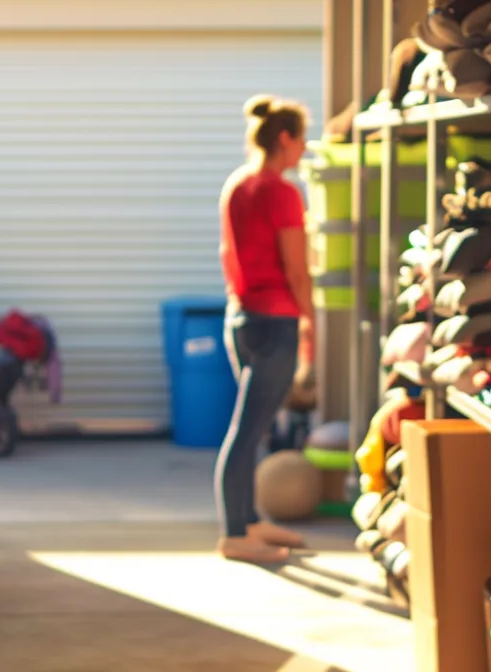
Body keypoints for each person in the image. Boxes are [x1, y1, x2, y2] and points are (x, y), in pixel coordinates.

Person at [215, 94, 314, 563]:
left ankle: (250, 521)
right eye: (302, 140)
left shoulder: (238, 185)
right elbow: (296, 268)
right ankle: (235, 534)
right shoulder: (282, 192)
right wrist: (309, 320)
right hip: (275, 321)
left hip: (241, 318)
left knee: (253, 426)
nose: (304, 150)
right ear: (285, 138)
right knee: (248, 431)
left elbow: (226, 254)